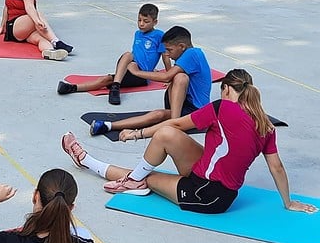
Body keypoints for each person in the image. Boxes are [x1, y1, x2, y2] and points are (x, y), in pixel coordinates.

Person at [61, 69, 318, 213]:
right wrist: (289, 202)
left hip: (209, 195)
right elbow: (277, 168)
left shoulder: (221, 108)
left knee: (146, 177)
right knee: (166, 136)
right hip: (211, 179)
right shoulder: (266, 124)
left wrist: (136, 134)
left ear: (227, 89)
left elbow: (176, 121)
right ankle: (133, 178)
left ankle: (87, 161)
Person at [89, 25, 211, 136]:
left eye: (169, 50)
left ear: (182, 47)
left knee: (162, 109)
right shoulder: (187, 54)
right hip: (182, 103)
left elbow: (167, 77)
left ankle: (173, 124)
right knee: (162, 108)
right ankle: (109, 125)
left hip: (196, 110)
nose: (167, 54)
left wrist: (137, 72)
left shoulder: (193, 53)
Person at [57, 3, 170, 105]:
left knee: (106, 79)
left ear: (155, 22)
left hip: (141, 76)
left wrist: (169, 78)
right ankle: (113, 86)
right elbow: (139, 53)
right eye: (139, 20)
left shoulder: (159, 35)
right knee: (127, 56)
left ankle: (73, 88)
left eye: (146, 21)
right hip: (130, 67)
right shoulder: (138, 34)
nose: (141, 24)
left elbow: (165, 56)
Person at [0, 0, 73, 61]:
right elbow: (6, 7)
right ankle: (56, 41)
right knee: (39, 15)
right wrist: (2, 25)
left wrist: (37, 21)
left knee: (41, 39)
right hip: (14, 27)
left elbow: (29, 6)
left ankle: (49, 52)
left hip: (25, 29)